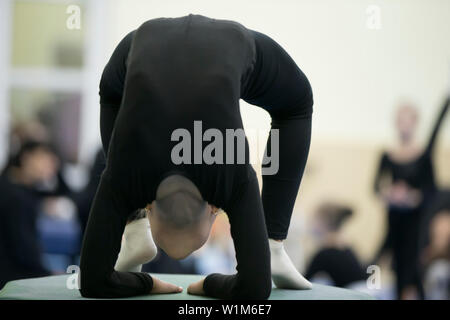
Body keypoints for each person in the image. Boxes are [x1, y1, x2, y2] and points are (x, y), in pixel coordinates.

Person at [80, 14, 314, 299]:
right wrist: (203, 285)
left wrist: (148, 284)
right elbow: (255, 288)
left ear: (147, 205)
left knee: (298, 103)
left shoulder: (228, 175)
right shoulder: (225, 174)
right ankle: (273, 245)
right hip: (153, 43)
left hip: (164, 42)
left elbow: (94, 283)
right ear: (215, 207)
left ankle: (136, 229)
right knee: (296, 103)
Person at [373, 97, 449, 299]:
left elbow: (432, 191)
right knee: (391, 268)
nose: (403, 125)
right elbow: (376, 188)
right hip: (393, 222)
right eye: (399, 120)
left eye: (407, 120)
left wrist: (412, 196)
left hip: (415, 224)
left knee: (413, 272)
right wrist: (389, 194)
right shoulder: (387, 155)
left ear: (415, 123)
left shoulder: (423, 156)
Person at [0, 141, 57, 288]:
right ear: (26, 158)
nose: (50, 166)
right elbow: (25, 253)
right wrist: (50, 276)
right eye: (44, 159)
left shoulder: (10, 186)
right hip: (13, 281)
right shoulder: (17, 198)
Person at [306, 202, 367, 288]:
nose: (310, 224)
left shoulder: (324, 254)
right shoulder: (348, 248)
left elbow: (303, 280)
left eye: (313, 220)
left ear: (323, 222)